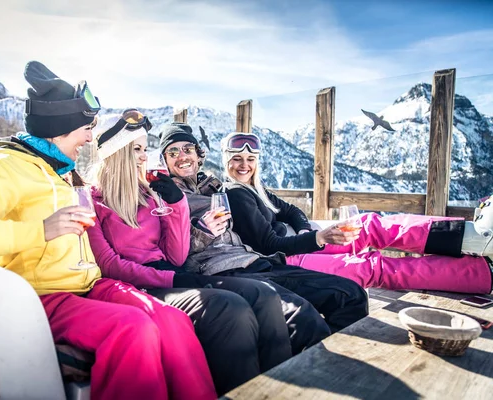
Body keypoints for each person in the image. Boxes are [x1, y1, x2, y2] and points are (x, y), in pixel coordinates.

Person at [0, 61, 216, 400]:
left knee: (173, 321)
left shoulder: (60, 172)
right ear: (59, 126)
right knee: (133, 329)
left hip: (92, 285)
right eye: (86, 127)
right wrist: (38, 230)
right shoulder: (3, 167)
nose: (89, 136)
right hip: (46, 295)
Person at [86, 111, 292, 396]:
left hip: (172, 273)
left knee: (264, 295)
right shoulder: (92, 201)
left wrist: (177, 204)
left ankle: (276, 389)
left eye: (145, 149)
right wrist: (171, 278)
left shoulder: (149, 195)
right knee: (229, 308)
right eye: (136, 149)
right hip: (140, 285)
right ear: (116, 152)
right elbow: (109, 264)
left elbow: (177, 255)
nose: (145, 156)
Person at [158, 122, 369, 352]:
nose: (182, 156)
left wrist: (297, 229)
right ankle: (316, 373)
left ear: (199, 156)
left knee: (351, 294)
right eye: (173, 152)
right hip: (223, 271)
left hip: (256, 262)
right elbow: (173, 250)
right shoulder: (165, 196)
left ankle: (339, 365)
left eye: (187, 149)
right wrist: (202, 229)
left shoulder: (215, 188)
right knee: (304, 319)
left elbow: (283, 213)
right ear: (164, 159)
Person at [219, 131, 493, 294]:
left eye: (250, 159)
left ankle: (476, 238)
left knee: (366, 225)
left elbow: (291, 211)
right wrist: (317, 238)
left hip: (301, 244)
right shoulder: (235, 194)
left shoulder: (255, 188)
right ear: (226, 161)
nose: (245, 165)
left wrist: (306, 230)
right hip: (286, 260)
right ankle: (482, 273)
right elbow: (268, 246)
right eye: (237, 159)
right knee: (371, 267)